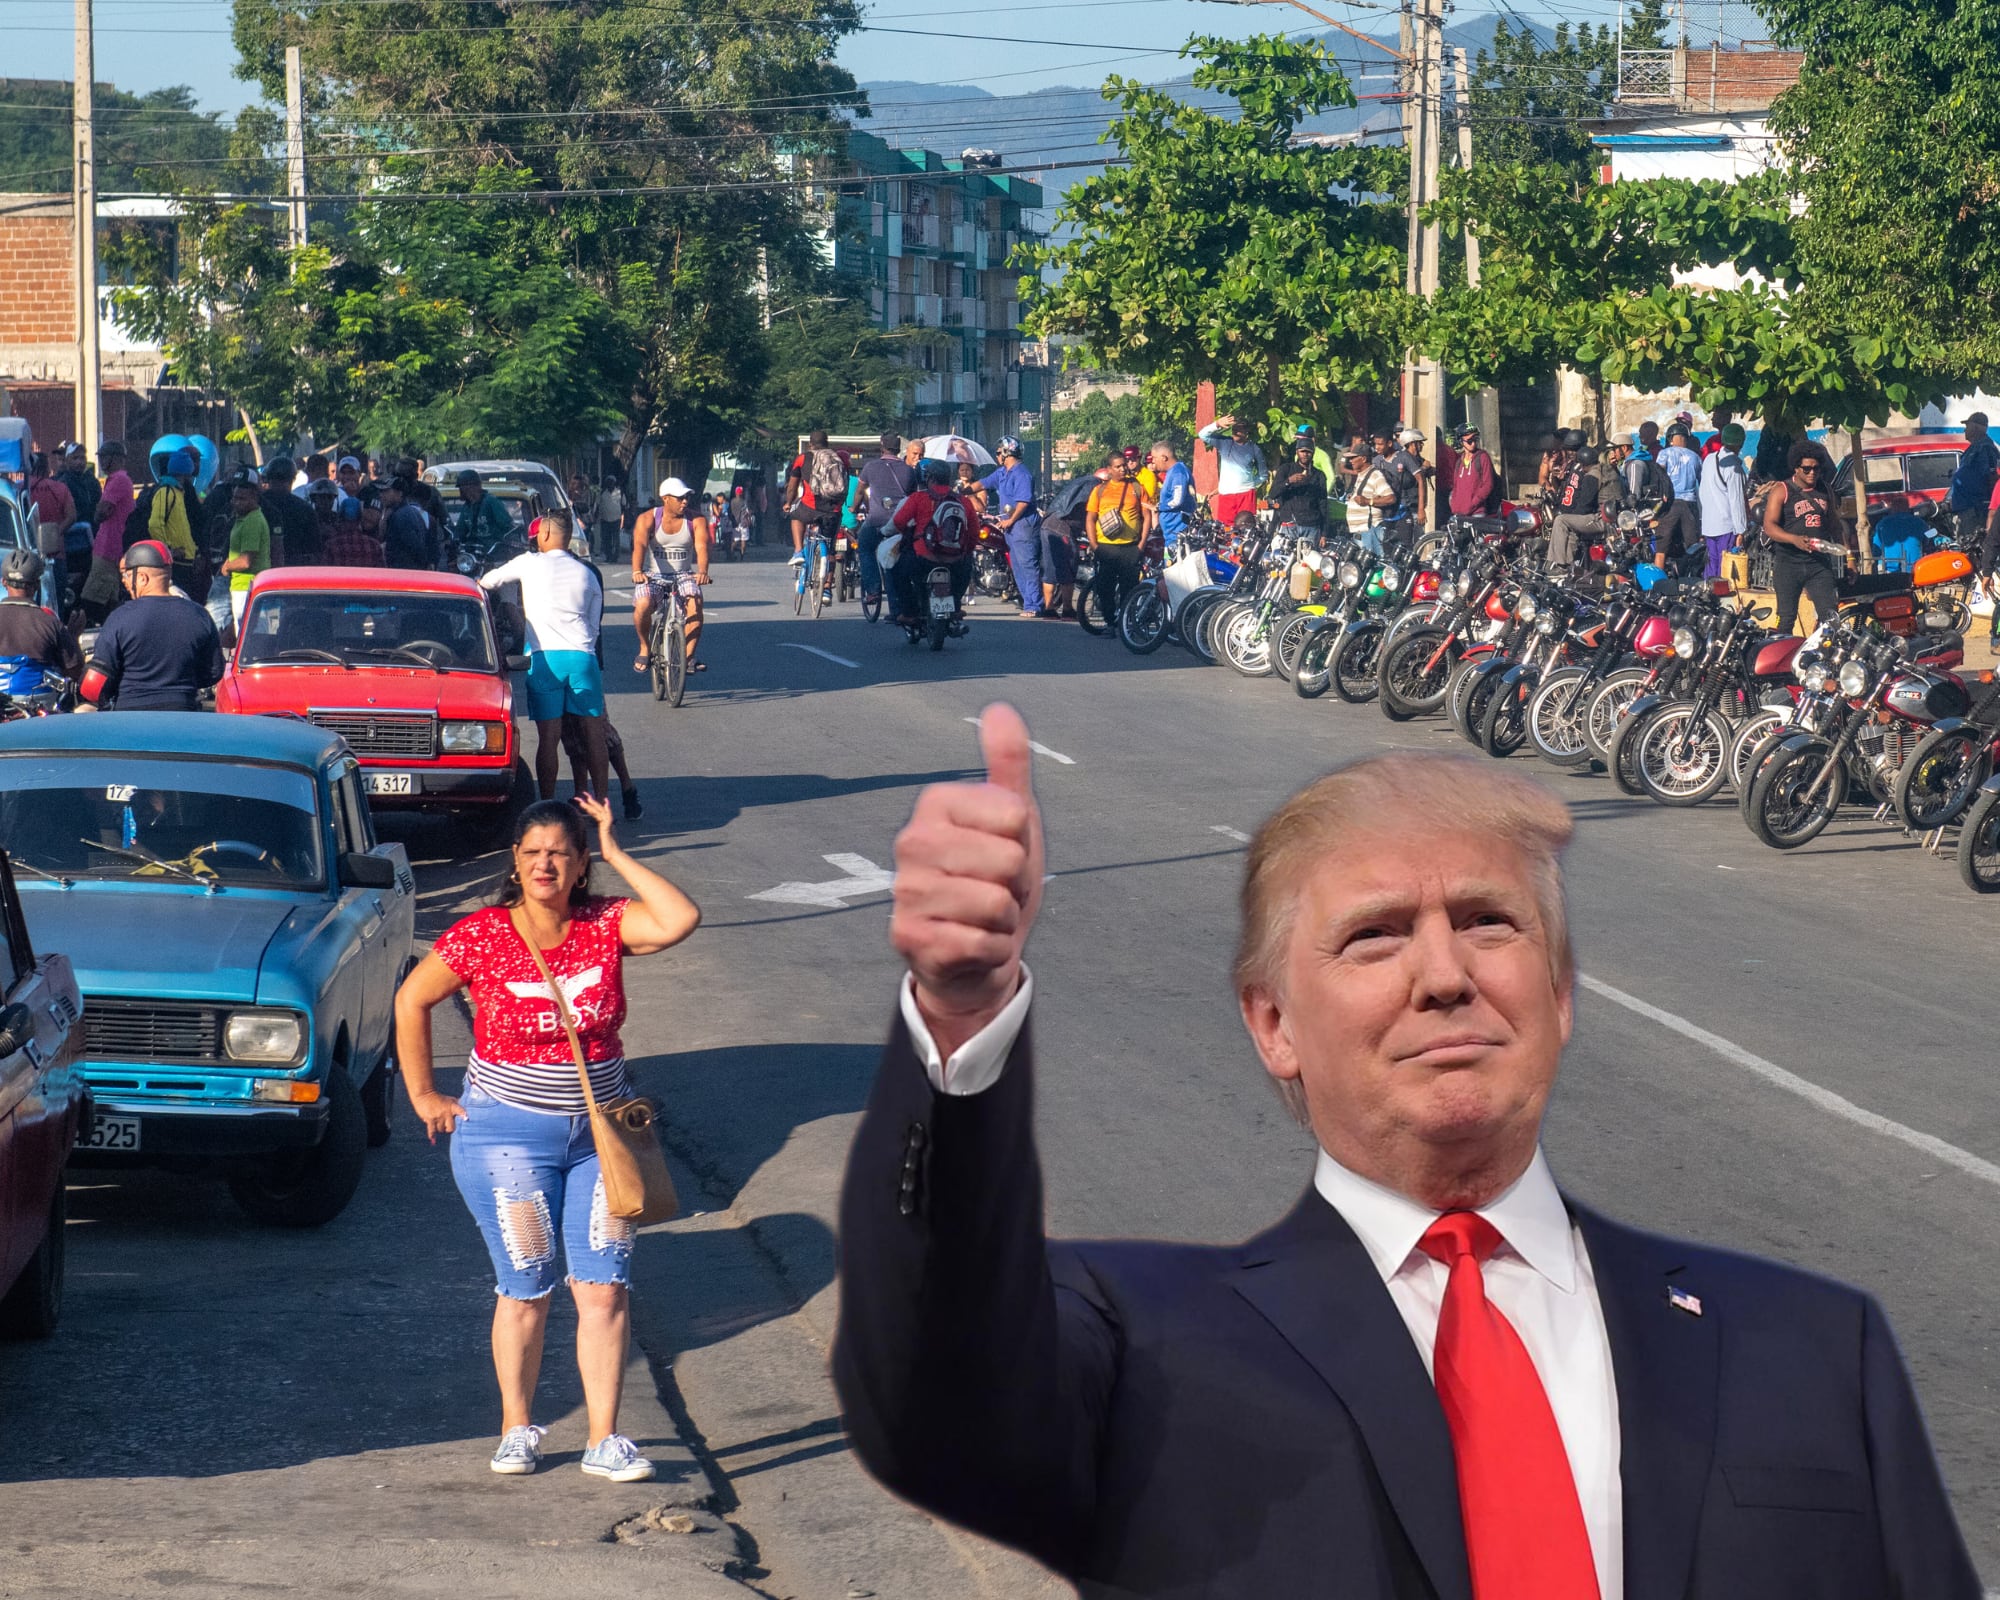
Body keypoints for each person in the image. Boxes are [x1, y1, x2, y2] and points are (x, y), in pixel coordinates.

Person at [834, 718, 1982, 1597]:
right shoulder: (1135, 1343)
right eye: (1374, 935)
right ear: (1272, 1023)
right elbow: (935, 1387)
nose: (1444, 974)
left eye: (1488, 921)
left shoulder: (1815, 1347)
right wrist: (957, 1017)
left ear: (1560, 993)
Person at [393, 795, 700, 1482]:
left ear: (579, 864)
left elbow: (681, 918)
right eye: (532, 853)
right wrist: (422, 1094)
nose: (545, 864)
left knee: (605, 1288)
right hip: (506, 1140)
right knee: (527, 1287)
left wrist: (619, 850)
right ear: (515, 862)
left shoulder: (608, 923)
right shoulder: (481, 934)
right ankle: (517, 1428)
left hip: (602, 1144)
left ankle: (604, 1439)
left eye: (560, 852)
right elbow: (412, 999)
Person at [480, 509, 607, 802]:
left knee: (548, 740)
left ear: (546, 534)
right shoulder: (586, 572)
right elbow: (593, 625)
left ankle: (547, 804)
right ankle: (603, 805)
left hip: (546, 660)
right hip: (582, 659)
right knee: (594, 736)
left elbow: (489, 581)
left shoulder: (529, 563)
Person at [79, 541, 226, 711]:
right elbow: (214, 672)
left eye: (126, 576)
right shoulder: (199, 615)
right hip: (183, 714)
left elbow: (95, 682)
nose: (124, 583)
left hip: (131, 718)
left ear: (142, 578)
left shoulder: (120, 617)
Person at [1762, 440, 1845, 634]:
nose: (1812, 473)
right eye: (1806, 469)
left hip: (1818, 565)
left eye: (1816, 469)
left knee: (1830, 618)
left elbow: (1835, 525)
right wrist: (1794, 539)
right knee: (1785, 619)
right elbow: (1769, 526)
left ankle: (1821, 658)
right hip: (1788, 564)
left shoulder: (1825, 490)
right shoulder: (1782, 490)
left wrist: (1849, 558)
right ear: (1796, 468)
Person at [631, 477, 709, 673]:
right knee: (642, 605)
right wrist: (637, 571)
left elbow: (701, 547)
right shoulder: (648, 519)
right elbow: (639, 545)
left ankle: (688, 656)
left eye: (686, 497)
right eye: (680, 498)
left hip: (684, 575)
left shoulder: (696, 520)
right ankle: (644, 647)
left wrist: (703, 572)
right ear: (665, 498)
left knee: (695, 603)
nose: (685, 501)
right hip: (654, 575)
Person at [888, 460, 976, 624]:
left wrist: (910, 534)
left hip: (924, 557)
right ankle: (955, 606)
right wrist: (965, 552)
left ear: (929, 479)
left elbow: (899, 521)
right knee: (967, 568)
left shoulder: (918, 498)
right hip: (955, 559)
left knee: (896, 569)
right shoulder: (964, 501)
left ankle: (909, 612)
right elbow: (973, 532)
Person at [0, 550, 81, 695]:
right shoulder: (50, 623)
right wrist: (73, 638)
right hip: (37, 707)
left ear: (3, 582)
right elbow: (74, 672)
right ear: (37, 585)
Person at [979, 438, 1043, 618]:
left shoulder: (1021, 473)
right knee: (1016, 566)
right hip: (1011, 529)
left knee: (1027, 566)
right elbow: (983, 483)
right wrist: (963, 490)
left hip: (1022, 525)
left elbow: (1023, 502)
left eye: (999, 452)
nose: (997, 455)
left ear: (1008, 453)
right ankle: (1027, 601)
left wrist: (1010, 520)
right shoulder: (1002, 473)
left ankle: (1034, 605)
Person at [1082, 449, 1146, 628]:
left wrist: (1141, 544)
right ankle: (1110, 622)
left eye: (1124, 465)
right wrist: (1094, 545)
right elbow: (1090, 518)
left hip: (1130, 547)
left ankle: (1125, 625)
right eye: (1118, 467)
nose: (1123, 469)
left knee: (1130, 589)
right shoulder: (1100, 490)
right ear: (1109, 469)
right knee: (1105, 588)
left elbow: (1147, 516)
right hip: (1106, 547)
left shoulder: (1137, 487)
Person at [857, 432, 916, 617]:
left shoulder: (870, 467)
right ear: (899, 449)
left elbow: (860, 492)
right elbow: (913, 495)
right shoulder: (908, 470)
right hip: (901, 521)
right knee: (892, 561)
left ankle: (873, 590)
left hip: (877, 521)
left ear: (882, 447)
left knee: (865, 548)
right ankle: (896, 608)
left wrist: (852, 508)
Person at [82, 449, 135, 622]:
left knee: (92, 598)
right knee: (111, 599)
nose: (102, 461)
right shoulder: (116, 479)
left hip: (109, 547)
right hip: (111, 546)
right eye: (100, 457)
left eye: (106, 456)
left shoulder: (119, 479)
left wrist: (98, 510)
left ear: (118, 458)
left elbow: (102, 511)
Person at [786, 428, 849, 568]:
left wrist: (788, 503)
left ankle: (798, 551)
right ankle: (826, 587)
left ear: (810, 444)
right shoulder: (838, 458)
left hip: (811, 507)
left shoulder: (803, 458)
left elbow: (792, 487)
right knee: (830, 551)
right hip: (833, 510)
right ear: (827, 443)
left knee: (795, 516)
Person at [218, 470, 271, 635]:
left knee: (251, 634)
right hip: (242, 585)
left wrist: (226, 567)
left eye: (242, 499)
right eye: (234, 498)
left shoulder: (252, 521)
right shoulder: (244, 518)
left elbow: (246, 561)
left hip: (248, 586)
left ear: (254, 498)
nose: (236, 502)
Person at [1696, 422, 1751, 578]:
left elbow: (1703, 492)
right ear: (1741, 443)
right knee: (1724, 567)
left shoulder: (1708, 460)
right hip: (1726, 526)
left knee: (1712, 565)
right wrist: (1741, 530)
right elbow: (1737, 500)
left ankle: (1708, 597)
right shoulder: (1734, 468)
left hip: (1708, 525)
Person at [25, 452, 76, 614]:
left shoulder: (21, 489)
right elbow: (72, 516)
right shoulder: (60, 488)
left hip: (26, 553)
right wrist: (55, 533)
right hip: (55, 553)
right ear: (47, 468)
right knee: (56, 603)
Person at [1951, 413, 2000, 578]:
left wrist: (1989, 509)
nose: (1965, 430)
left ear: (1977, 427)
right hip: (1967, 509)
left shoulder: (1985, 448)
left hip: (1976, 510)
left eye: (1967, 426)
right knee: (1965, 548)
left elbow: (1992, 478)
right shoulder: (1976, 447)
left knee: (1974, 549)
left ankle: (1980, 581)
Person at [1548, 445, 1611, 569]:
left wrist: (1571, 516)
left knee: (1561, 520)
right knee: (1570, 525)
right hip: (1612, 517)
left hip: (1601, 520)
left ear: (1583, 464)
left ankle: (1559, 564)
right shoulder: (1606, 469)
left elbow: (1584, 506)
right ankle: (1570, 567)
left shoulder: (1592, 476)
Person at [1196, 415, 1263, 528]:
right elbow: (1202, 434)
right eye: (1234, 428)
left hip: (1246, 495)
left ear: (1246, 431)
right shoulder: (1224, 443)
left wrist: (1249, 484)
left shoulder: (1254, 448)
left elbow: (1263, 475)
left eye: (1239, 428)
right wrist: (1217, 424)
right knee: (1226, 530)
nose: (1236, 431)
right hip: (1226, 496)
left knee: (1246, 529)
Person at [1654, 424, 1704, 571]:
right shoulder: (1695, 457)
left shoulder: (1664, 454)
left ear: (1670, 439)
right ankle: (1693, 578)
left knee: (1661, 548)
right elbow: (1701, 482)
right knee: (1693, 546)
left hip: (1671, 503)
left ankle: (1658, 581)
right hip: (1690, 504)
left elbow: (1659, 476)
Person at [260, 457, 317, 567]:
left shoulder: (257, 504)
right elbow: (314, 549)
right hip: (294, 571)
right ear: (293, 478)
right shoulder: (304, 508)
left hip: (261, 569)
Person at [1269, 437, 1328, 534]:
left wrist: (1324, 533)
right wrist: (1289, 481)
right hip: (1290, 524)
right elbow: (1273, 494)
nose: (1305, 454)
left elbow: (1323, 504)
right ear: (1297, 452)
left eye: (1308, 451)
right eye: (1302, 451)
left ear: (1313, 453)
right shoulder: (1286, 469)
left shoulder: (1319, 475)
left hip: (1312, 526)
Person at [382, 477, 438, 570]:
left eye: (387, 491)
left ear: (399, 494)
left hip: (405, 572)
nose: (382, 495)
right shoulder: (406, 512)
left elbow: (414, 546)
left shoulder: (402, 515)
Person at [1149, 441, 1194, 557]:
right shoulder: (1172, 472)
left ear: (1164, 458)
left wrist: (1159, 506)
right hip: (1170, 535)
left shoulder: (1178, 472)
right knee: (1168, 569)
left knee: (1174, 571)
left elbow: (1177, 500)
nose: (1152, 461)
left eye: (1154, 457)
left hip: (1178, 534)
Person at [1446, 424, 1501, 518]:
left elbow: (1488, 485)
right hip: (1459, 512)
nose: (1473, 444)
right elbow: (1456, 486)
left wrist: (1473, 503)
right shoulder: (1459, 461)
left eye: (1475, 440)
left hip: (1477, 512)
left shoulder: (1483, 457)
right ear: (1461, 442)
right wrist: (1454, 505)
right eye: (1469, 441)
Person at [454, 469, 514, 555]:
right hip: (473, 553)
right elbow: (460, 530)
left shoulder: (491, 502)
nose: (460, 490)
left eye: (462, 486)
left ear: (472, 486)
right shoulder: (467, 507)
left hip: (494, 552)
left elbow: (507, 526)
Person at [319, 489, 384, 566]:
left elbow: (325, 573)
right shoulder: (374, 546)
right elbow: (383, 573)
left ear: (340, 518)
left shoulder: (331, 545)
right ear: (360, 518)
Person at [1391, 427, 1430, 529]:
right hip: (1408, 507)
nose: (1422, 445)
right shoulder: (1405, 458)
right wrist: (1421, 510)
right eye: (1419, 442)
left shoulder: (1417, 459)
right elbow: (1415, 479)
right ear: (1412, 444)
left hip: (1413, 505)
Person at [595, 474, 626, 559]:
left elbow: (623, 505)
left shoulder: (620, 492)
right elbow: (597, 505)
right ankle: (608, 556)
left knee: (616, 538)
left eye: (612, 482)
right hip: (605, 519)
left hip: (616, 519)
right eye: (608, 482)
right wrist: (596, 516)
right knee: (606, 538)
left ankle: (615, 556)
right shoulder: (602, 493)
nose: (610, 484)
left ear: (614, 483)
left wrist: (622, 517)